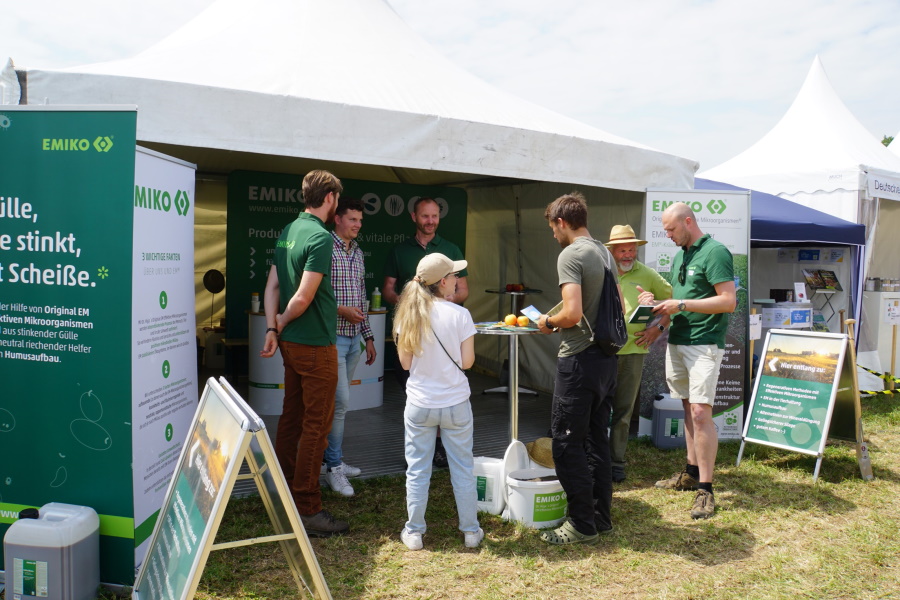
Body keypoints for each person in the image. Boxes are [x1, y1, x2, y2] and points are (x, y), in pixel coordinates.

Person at [261, 169, 349, 537]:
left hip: (292, 345)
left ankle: (282, 494)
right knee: (317, 426)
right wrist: (279, 321)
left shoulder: (289, 231)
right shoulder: (320, 237)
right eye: (337, 199)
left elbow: (272, 285)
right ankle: (309, 508)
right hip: (314, 344)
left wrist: (272, 327)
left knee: (291, 418)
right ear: (329, 197)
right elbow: (302, 296)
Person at [637, 201, 735, 520]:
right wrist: (659, 317)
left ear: (688, 222)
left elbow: (728, 301)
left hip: (704, 343)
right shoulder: (680, 255)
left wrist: (680, 302)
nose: (667, 235)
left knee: (700, 412)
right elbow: (678, 305)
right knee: (687, 407)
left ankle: (706, 489)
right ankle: (691, 472)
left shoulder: (716, 251)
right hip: (678, 342)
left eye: (670, 229)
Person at [536, 191, 618, 545]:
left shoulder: (571, 253)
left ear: (561, 222)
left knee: (567, 444)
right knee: (597, 441)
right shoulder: (603, 251)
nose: (553, 235)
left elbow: (571, 313)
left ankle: (581, 524)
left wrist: (548, 322)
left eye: (553, 228)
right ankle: (600, 517)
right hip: (605, 360)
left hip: (579, 359)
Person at [393, 253, 483, 551]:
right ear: (443, 282)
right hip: (456, 403)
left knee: (417, 469)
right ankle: (471, 531)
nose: (458, 280)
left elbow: (405, 365)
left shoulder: (409, 314)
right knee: (462, 468)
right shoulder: (460, 315)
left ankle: (415, 532)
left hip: (419, 403)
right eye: (455, 275)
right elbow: (468, 362)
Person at [383, 196, 468, 467]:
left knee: (440, 386)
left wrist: (439, 306)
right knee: (416, 386)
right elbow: (388, 289)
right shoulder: (399, 251)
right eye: (425, 216)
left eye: (434, 216)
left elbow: (464, 290)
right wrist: (414, 308)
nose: (430, 221)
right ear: (414, 218)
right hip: (411, 335)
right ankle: (421, 444)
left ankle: (437, 447)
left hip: (445, 334)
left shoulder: (451, 248)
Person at [605, 224, 672, 483]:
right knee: (598, 408)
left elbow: (671, 305)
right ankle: (596, 458)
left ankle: (616, 463)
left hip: (632, 351)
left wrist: (659, 328)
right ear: (612, 251)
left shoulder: (648, 274)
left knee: (622, 410)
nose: (628, 254)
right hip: (600, 351)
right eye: (623, 250)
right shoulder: (601, 271)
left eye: (632, 249)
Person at [323, 196, 377, 498]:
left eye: (360, 220)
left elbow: (361, 297)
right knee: (340, 403)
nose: (358, 225)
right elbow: (317, 295)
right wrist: (340, 311)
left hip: (354, 340)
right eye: (353, 220)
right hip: (330, 338)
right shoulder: (324, 247)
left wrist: (368, 337)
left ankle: (332, 461)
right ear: (338, 219)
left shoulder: (357, 252)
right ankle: (332, 468)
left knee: (337, 405)